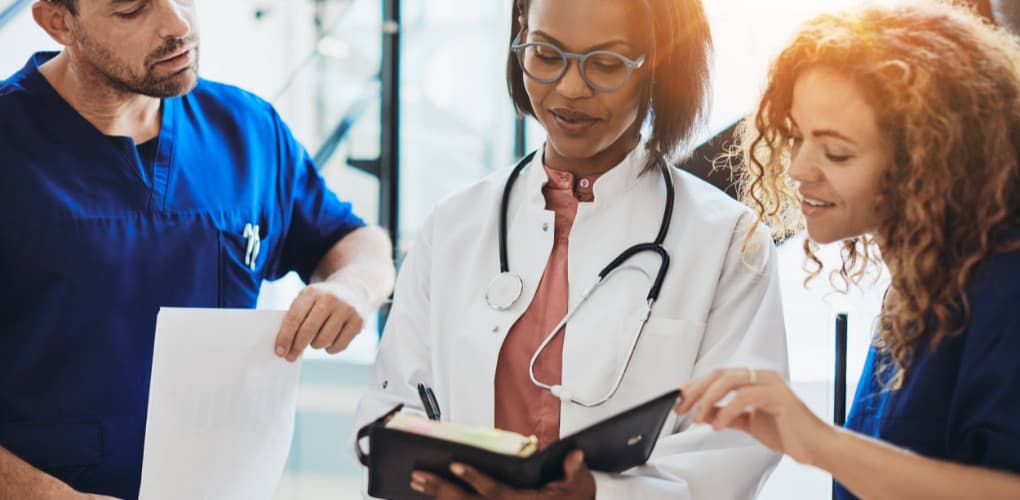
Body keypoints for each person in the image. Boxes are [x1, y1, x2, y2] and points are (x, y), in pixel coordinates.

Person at [353, 0, 788, 498]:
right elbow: (392, 404)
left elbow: (734, 446)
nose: (570, 88)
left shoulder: (727, 240)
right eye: (545, 54)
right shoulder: (453, 225)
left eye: (606, 63)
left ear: (661, 65)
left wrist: (597, 493)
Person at [0, 1, 396, 499]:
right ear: (59, 21)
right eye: (132, 10)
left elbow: (352, 240)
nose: (178, 25)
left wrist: (353, 287)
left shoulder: (247, 130)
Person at [674, 2, 1020, 499]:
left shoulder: (1003, 290)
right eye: (796, 138)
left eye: (836, 152)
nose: (797, 170)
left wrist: (817, 443)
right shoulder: (920, 282)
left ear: (925, 160)